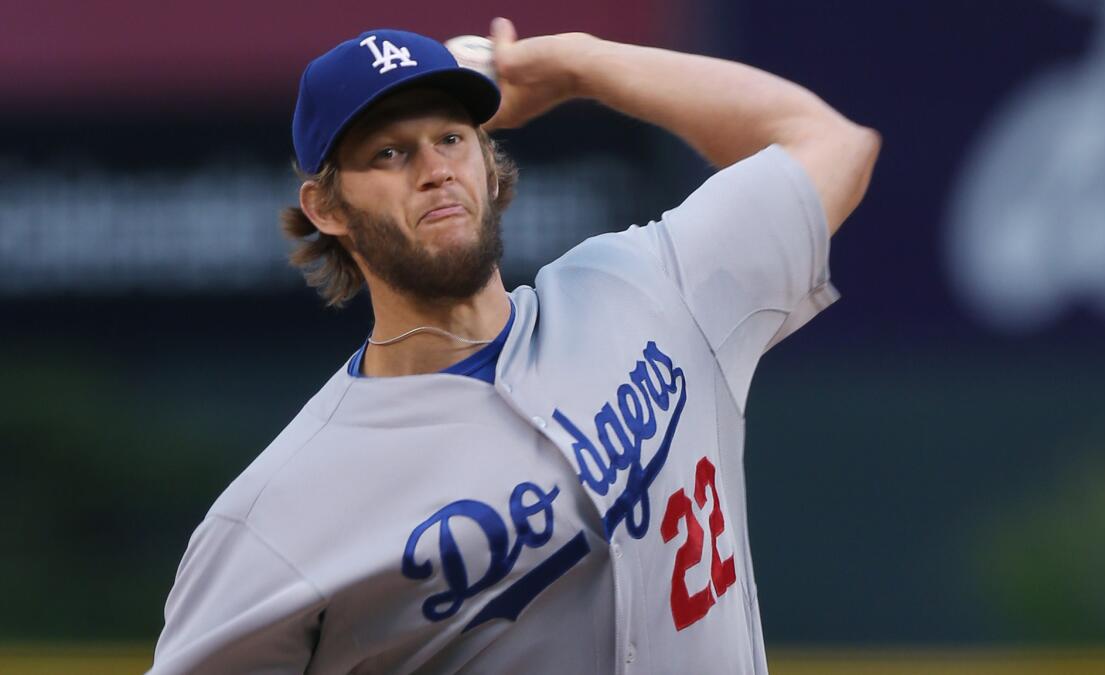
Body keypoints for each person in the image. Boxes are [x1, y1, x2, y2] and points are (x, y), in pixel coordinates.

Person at [150, 17, 879, 674]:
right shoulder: (279, 513)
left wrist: (582, 67)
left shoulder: (650, 285)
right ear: (327, 206)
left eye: (451, 137)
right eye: (389, 153)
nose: (434, 168)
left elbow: (828, 144)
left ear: (487, 158)